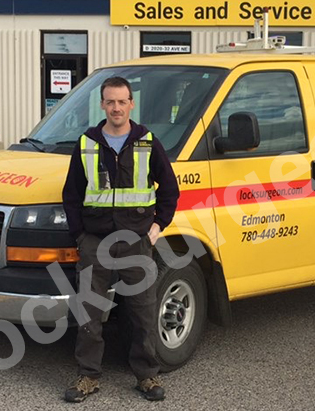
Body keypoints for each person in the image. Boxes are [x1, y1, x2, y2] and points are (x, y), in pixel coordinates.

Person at [61, 76, 180, 402]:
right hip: (95, 242)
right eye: (110, 101)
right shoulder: (86, 143)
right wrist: (79, 236)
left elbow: (170, 191)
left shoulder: (148, 142)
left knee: (142, 311)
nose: (116, 107)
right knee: (89, 314)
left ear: (131, 104)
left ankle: (147, 376)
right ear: (102, 104)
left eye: (122, 101)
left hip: (137, 243)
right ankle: (88, 377)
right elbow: (71, 195)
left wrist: (156, 229)